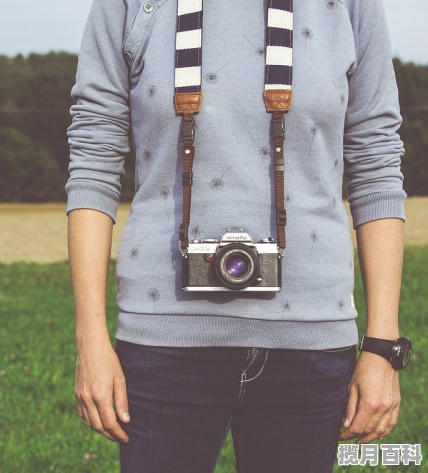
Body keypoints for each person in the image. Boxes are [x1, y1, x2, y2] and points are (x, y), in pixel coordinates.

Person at [65, 0, 409, 472]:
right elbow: (92, 159)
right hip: (163, 340)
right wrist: (91, 340)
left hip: (312, 342)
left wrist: (382, 347)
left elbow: (377, 165)